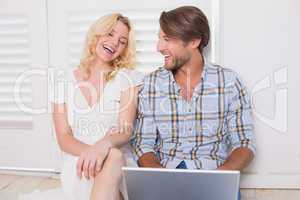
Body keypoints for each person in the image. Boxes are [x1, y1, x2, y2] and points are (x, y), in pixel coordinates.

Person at [132, 6, 256, 200]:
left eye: (167, 39)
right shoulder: (151, 83)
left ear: (194, 41)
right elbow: (143, 144)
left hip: (214, 171)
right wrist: (161, 176)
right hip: (165, 173)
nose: (158, 47)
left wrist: (218, 178)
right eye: (159, 38)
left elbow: (245, 143)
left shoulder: (229, 82)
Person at [20, 13, 143, 200]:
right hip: (80, 161)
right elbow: (63, 138)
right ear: (97, 34)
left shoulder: (127, 79)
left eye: (122, 41)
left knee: (115, 157)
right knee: (108, 159)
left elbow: (125, 131)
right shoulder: (63, 82)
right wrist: (92, 152)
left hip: (116, 162)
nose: (114, 43)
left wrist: (103, 146)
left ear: (125, 49)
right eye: (110, 34)